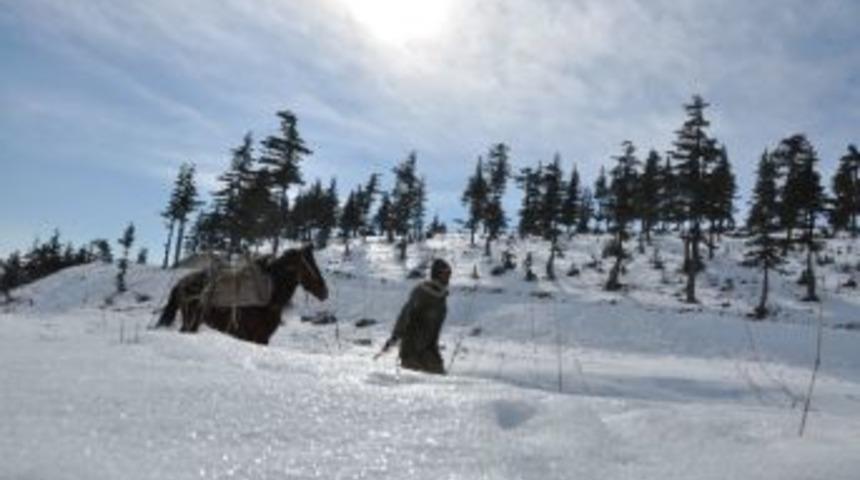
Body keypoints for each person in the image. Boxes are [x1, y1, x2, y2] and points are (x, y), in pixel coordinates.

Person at [379, 259, 451, 374]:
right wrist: (395, 337)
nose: (448, 277)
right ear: (437, 274)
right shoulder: (421, 292)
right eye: (446, 273)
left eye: (449, 274)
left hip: (430, 351)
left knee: (439, 379)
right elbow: (405, 315)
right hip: (412, 351)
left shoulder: (441, 297)